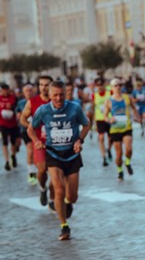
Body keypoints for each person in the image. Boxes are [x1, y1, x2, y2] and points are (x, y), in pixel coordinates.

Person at [28, 81, 90, 240]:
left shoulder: (74, 108)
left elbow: (86, 124)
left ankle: (68, 203)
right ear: (49, 95)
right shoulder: (43, 110)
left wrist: (79, 141)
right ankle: (64, 226)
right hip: (53, 154)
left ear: (65, 94)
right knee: (59, 189)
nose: (58, 98)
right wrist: (36, 140)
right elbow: (31, 128)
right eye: (55, 95)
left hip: (73, 155)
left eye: (61, 94)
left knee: (72, 196)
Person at [20, 75, 54, 207]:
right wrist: (29, 127)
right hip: (39, 142)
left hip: (55, 143)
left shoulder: (56, 100)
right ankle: (42, 188)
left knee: (55, 173)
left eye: (46, 85)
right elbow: (23, 119)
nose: (43, 88)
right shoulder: (32, 102)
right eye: (41, 85)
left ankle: (52, 199)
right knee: (41, 170)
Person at [104, 78, 140, 181]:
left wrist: (137, 116)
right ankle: (120, 170)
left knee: (128, 149)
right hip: (115, 129)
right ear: (111, 88)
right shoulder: (109, 101)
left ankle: (127, 162)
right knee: (118, 155)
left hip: (127, 128)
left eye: (120, 85)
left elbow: (134, 108)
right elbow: (105, 116)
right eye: (115, 85)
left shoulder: (127, 97)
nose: (118, 87)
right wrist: (109, 120)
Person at [16, 84, 37, 184]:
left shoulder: (38, 101)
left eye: (30, 90)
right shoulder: (21, 103)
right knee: (30, 150)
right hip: (26, 129)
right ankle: (31, 173)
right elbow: (19, 117)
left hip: (38, 130)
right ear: (23, 93)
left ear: (34, 91)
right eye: (26, 90)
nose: (29, 92)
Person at [92, 78, 113, 166]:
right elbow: (93, 107)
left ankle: (108, 149)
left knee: (110, 137)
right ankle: (104, 157)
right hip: (99, 119)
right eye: (98, 85)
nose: (100, 87)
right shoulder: (95, 95)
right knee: (101, 138)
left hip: (109, 117)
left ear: (104, 84)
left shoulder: (109, 92)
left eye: (101, 84)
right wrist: (93, 122)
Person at [0, 83, 20, 171]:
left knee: (13, 141)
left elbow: (17, 108)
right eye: (2, 90)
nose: (4, 91)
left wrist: (12, 108)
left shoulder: (13, 98)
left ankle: (13, 155)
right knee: (5, 142)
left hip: (13, 123)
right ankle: (7, 161)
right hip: (2, 123)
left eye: (5, 89)